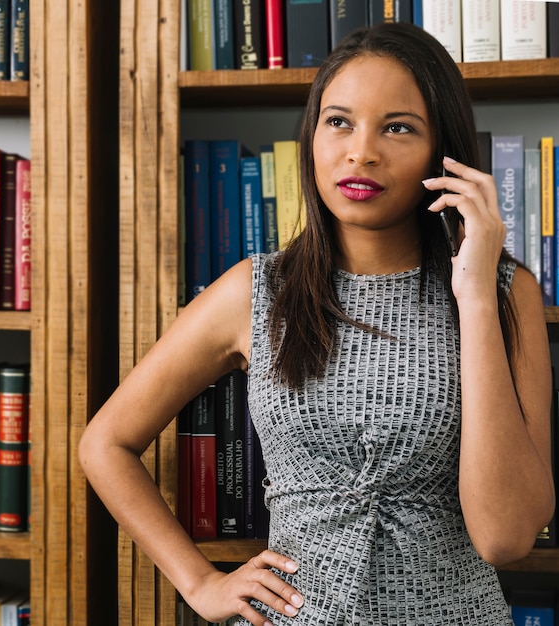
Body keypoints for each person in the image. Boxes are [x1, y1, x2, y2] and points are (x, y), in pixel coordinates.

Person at [79, 21, 555, 625]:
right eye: (339, 122)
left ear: (445, 154)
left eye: (398, 127)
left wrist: (476, 297)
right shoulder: (255, 291)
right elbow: (105, 444)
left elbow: (505, 538)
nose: (362, 151)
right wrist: (199, 582)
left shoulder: (506, 295)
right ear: (310, 137)